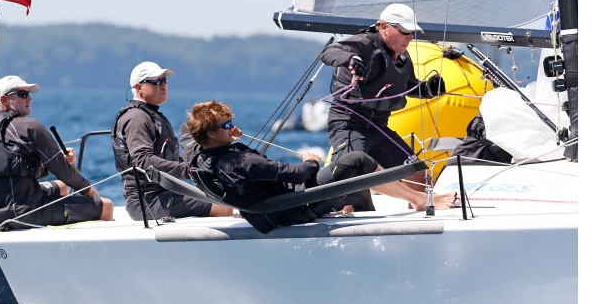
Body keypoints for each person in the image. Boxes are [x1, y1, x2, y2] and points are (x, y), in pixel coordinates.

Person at [185, 100, 456, 234]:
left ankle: (357, 210)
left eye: (231, 123)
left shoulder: (199, 158)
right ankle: (420, 200)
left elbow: (245, 169)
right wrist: (311, 160)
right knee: (357, 161)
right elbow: (297, 173)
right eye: (227, 125)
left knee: (345, 174)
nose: (233, 128)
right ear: (209, 133)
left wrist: (231, 136)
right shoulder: (240, 162)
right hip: (293, 208)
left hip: (270, 211)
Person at [318, 3, 446, 202]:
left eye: (412, 33)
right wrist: (351, 59)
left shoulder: (402, 55)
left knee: (419, 175)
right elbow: (329, 52)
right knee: (353, 181)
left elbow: (409, 86)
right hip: (349, 124)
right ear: (384, 27)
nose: (409, 38)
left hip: (378, 127)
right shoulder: (364, 43)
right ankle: (344, 213)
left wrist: (429, 89)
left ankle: (424, 207)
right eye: (404, 31)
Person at [0, 75, 114, 230]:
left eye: (29, 94)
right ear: (3, 100)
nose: (29, 99)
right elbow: (64, 171)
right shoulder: (30, 127)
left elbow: (13, 169)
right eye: (23, 94)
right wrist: (89, 191)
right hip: (26, 212)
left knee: (62, 187)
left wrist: (54, 161)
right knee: (105, 205)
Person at [110, 62, 233, 221]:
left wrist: (205, 166)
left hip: (164, 194)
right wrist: (190, 171)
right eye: (156, 82)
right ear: (139, 88)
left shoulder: (153, 116)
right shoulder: (137, 118)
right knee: (225, 207)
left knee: (224, 196)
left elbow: (170, 159)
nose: (163, 85)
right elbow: (142, 161)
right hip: (147, 202)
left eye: (164, 81)